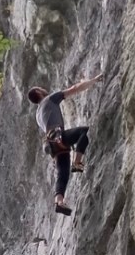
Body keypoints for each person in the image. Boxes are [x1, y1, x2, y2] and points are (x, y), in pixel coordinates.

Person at [27, 73, 104, 215]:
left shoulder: (38, 115)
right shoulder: (49, 99)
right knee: (85, 133)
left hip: (51, 146)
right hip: (58, 137)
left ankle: (59, 202)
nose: (44, 89)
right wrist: (93, 80)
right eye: (41, 88)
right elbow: (74, 89)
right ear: (38, 92)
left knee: (62, 174)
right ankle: (77, 163)